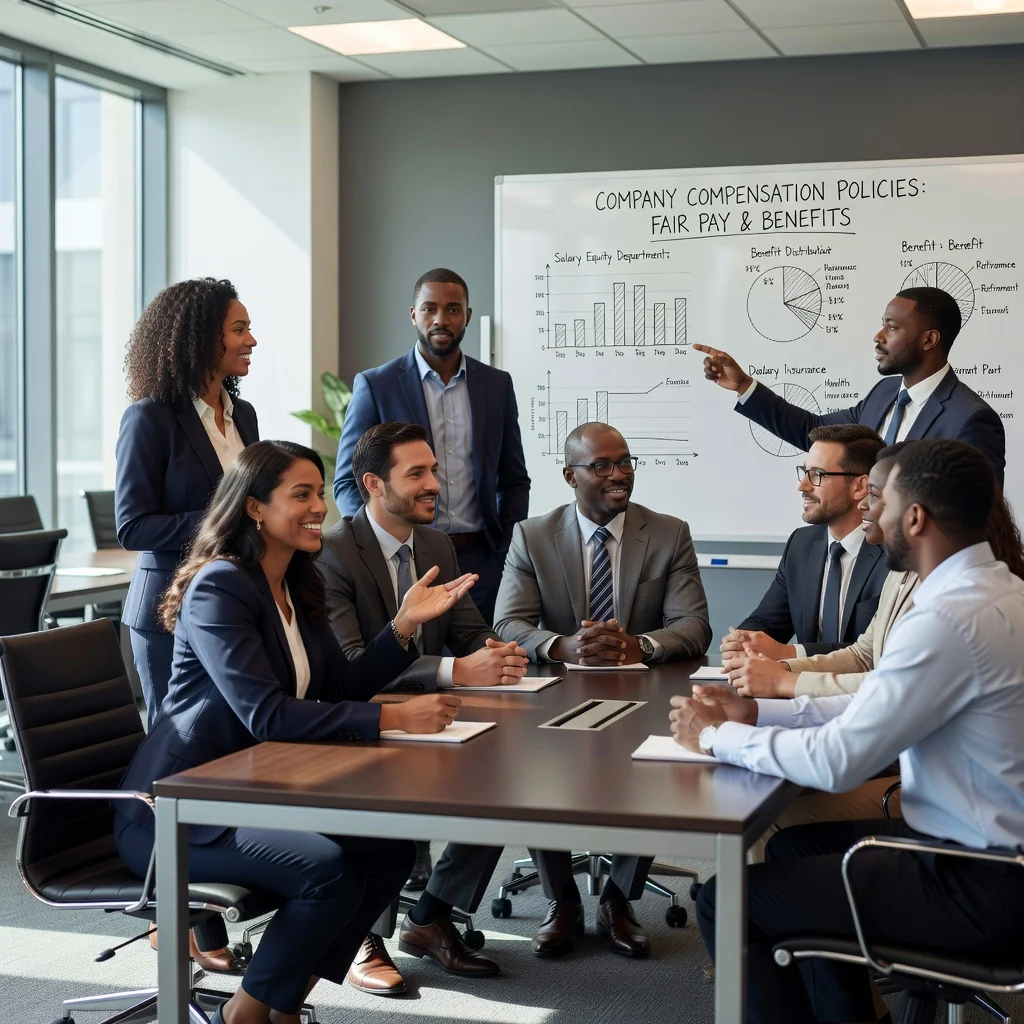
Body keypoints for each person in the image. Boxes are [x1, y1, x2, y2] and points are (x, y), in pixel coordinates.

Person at [115, 440, 474, 1024]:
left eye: (320, 493)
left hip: (252, 792)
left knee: (388, 851)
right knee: (326, 871)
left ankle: (282, 1003)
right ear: (255, 507)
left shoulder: (295, 584)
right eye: (300, 495)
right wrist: (393, 717)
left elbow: (338, 685)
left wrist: (402, 626)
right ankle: (246, 1013)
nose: (319, 508)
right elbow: (267, 714)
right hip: (179, 811)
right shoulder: (220, 587)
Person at [670, 439, 1024, 1024]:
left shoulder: (946, 620)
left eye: (880, 500)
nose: (870, 512)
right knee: (793, 848)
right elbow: (873, 703)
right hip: (988, 856)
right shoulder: (999, 591)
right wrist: (757, 715)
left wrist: (714, 738)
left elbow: (839, 761)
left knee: (725, 902)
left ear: (916, 517)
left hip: (975, 884)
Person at [318, 422, 527, 993]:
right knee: (383, 807)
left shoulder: (435, 544)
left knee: (507, 779)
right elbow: (354, 665)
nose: (435, 483)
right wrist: (457, 671)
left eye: (434, 470)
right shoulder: (333, 553)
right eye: (417, 474)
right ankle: (361, 934)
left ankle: (430, 915)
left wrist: (496, 653)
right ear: (373, 484)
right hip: (362, 719)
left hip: (435, 716)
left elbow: (468, 631)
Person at [494, 421, 711, 960]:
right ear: (571, 476)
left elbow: (694, 625)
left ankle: (618, 897)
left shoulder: (668, 533)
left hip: (643, 690)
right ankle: (562, 899)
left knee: (652, 764)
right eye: (602, 465)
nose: (619, 474)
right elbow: (508, 622)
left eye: (625, 462)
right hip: (559, 690)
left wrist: (641, 645)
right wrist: (562, 645)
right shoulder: (533, 535)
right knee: (536, 770)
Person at [114, 276, 259, 971]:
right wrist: (225, 520)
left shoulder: (243, 414)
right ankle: (183, 918)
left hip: (230, 610)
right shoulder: (151, 417)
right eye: (239, 329)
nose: (252, 340)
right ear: (202, 337)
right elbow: (134, 525)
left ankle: (201, 902)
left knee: (224, 756)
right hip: (167, 614)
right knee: (178, 763)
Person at [332, 267, 530, 626]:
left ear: (467, 315)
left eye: (453, 309)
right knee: (406, 653)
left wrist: (505, 548)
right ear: (414, 314)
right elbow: (348, 481)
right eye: (429, 309)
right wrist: (375, 546)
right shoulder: (377, 385)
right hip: (405, 557)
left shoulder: (497, 385)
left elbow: (513, 479)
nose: (441, 319)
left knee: (484, 652)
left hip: (482, 562)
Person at [695, 286, 1005, 484]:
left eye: (892, 327)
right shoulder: (884, 394)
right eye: (883, 324)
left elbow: (980, 516)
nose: (878, 336)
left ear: (929, 339)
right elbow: (814, 430)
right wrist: (744, 386)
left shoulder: (970, 419)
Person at [721, 425, 887, 663]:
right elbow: (767, 622)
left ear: (860, 486)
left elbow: (877, 650)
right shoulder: (801, 544)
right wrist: (743, 640)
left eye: (817, 474)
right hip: (795, 685)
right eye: (804, 472)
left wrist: (791, 653)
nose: (803, 486)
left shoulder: (894, 553)